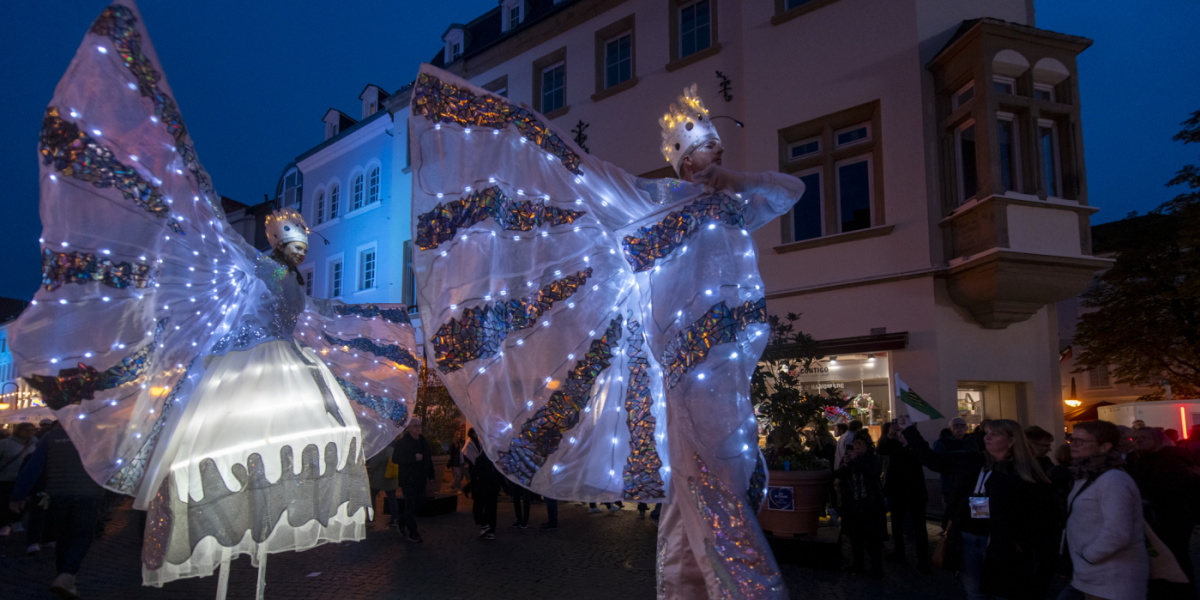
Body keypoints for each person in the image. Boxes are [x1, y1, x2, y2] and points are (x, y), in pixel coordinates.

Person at [11, 5, 419, 590]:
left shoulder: (295, 288)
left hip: (285, 369)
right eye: (295, 245)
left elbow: (312, 316)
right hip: (247, 371)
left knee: (273, 467)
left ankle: (246, 575)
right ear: (281, 244)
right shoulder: (253, 268)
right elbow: (208, 237)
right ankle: (219, 571)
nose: (299, 254)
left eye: (302, 248)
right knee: (228, 468)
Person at [409, 72, 805, 598]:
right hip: (693, 369)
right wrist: (516, 132)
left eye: (717, 144)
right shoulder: (656, 201)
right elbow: (587, 176)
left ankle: (682, 590)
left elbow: (790, 189)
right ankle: (752, 591)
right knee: (720, 486)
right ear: (684, 161)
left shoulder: (737, 206)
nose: (715, 152)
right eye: (706, 147)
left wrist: (735, 178)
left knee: (696, 489)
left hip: (732, 365)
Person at [902, 416, 1055, 599]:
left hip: (1001, 544)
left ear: (1012, 440)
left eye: (995, 434)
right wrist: (910, 431)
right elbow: (933, 460)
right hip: (968, 538)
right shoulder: (973, 460)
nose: (987, 438)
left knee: (1002, 593)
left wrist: (1021, 542)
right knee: (974, 593)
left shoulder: (1024, 471)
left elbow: (1040, 513)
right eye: (987, 433)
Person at [9, 421, 106, 598]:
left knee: (63, 535)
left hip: (58, 493)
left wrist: (18, 494)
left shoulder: (51, 437)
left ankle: (64, 576)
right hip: (89, 493)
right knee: (82, 535)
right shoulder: (97, 437)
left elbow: (34, 466)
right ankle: (67, 574)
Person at [1063, 420, 1148, 600]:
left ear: (1104, 447)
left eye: (1082, 441)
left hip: (1112, 577)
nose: (1074, 445)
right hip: (1090, 575)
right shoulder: (1086, 475)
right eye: (1073, 439)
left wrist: (1089, 557)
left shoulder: (1113, 479)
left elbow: (1118, 532)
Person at [1128, 426, 1199, 598]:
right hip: (1162, 518)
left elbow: (1170, 491)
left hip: (1171, 518)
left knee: (1173, 558)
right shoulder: (1146, 459)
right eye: (1135, 438)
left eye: (1143, 437)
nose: (1138, 441)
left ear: (1156, 439)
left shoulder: (1169, 461)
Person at [877, 421, 930, 572]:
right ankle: (899, 552)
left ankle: (923, 560)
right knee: (896, 524)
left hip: (915, 490)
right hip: (896, 490)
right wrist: (890, 434)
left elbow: (923, 456)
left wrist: (906, 442)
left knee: (919, 526)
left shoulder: (917, 444)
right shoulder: (893, 443)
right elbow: (881, 449)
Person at [836, 430, 887, 577]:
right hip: (853, 505)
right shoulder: (850, 458)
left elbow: (873, 472)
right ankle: (858, 564)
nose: (857, 447)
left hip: (870, 505)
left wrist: (857, 461)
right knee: (855, 537)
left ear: (867, 445)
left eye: (860, 444)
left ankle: (876, 568)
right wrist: (845, 465)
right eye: (855, 444)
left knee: (872, 539)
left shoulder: (873, 459)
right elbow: (840, 475)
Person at [393, 418, 433, 542]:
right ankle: (413, 532)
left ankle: (401, 520)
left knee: (420, 502)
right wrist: (413, 458)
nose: (418, 428)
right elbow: (396, 459)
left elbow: (428, 456)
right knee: (410, 504)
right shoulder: (402, 443)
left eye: (419, 426)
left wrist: (431, 474)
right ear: (409, 428)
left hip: (420, 478)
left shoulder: (422, 440)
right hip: (408, 479)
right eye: (415, 426)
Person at [0, 422, 38, 537]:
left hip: (24, 478)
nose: (30, 432)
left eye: (32, 430)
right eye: (27, 430)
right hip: (6, 478)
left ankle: (17, 521)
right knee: (4, 501)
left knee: (23, 501)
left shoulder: (35, 444)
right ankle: (4, 523)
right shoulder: (5, 444)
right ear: (19, 431)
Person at [932, 417, 973, 510]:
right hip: (950, 486)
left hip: (970, 485)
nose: (959, 428)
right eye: (956, 425)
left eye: (962, 425)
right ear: (950, 428)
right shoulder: (942, 443)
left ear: (966, 428)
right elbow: (938, 462)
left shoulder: (971, 442)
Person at [366, 434, 400, 527]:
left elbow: (374, 464)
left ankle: (371, 518)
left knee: (372, 497)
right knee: (392, 499)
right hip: (392, 479)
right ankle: (394, 518)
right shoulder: (396, 450)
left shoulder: (381, 451)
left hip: (379, 479)